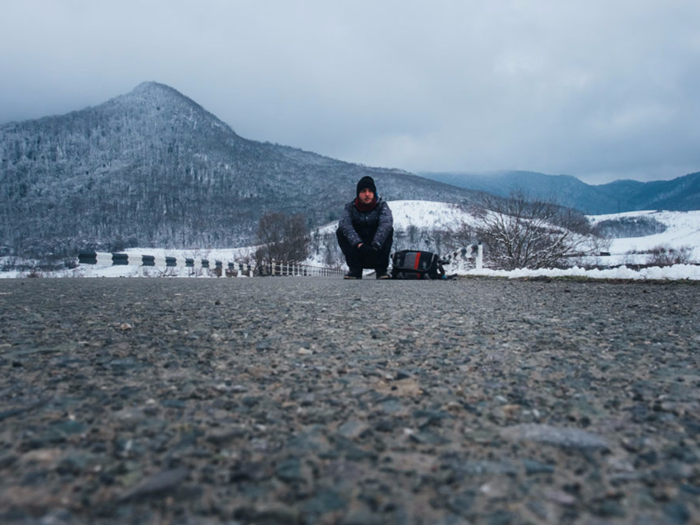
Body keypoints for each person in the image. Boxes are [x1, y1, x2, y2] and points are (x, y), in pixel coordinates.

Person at [336, 176, 394, 279]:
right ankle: (355, 270)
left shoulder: (382, 206)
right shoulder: (350, 207)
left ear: (374, 193)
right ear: (358, 193)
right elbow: (345, 225)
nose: (367, 194)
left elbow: (386, 223)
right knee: (340, 232)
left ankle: (381, 271)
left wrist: (376, 245)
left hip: (376, 249)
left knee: (389, 231)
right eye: (363, 191)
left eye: (370, 191)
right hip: (357, 249)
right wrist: (359, 244)